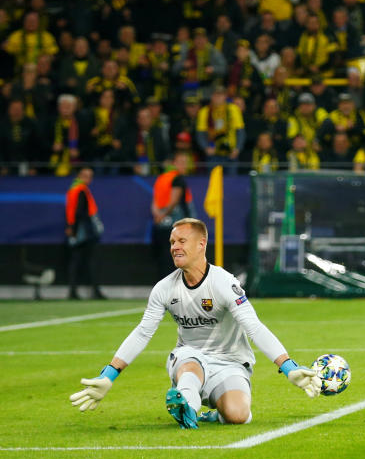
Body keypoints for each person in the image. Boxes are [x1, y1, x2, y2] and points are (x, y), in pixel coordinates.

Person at [69, 218, 320, 427]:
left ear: (201, 244)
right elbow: (143, 333)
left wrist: (288, 367)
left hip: (230, 362)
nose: (174, 247)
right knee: (190, 362)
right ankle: (186, 408)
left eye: (181, 241)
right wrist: (108, 375)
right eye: (172, 242)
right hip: (189, 358)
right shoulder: (164, 288)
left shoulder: (223, 283)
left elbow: (253, 327)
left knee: (238, 416)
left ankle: (212, 411)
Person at [151, 152, 196, 279]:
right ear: (174, 164)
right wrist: (165, 214)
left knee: (163, 256)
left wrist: (158, 215)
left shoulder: (161, 178)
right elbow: (174, 200)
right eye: (181, 162)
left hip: (161, 224)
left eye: (186, 163)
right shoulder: (178, 179)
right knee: (176, 257)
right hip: (175, 224)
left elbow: (154, 201)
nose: (185, 166)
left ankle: (162, 287)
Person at [65, 167, 105, 300]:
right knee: (90, 261)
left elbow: (71, 211)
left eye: (90, 176)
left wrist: (70, 227)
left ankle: (73, 291)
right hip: (84, 231)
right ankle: (95, 291)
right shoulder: (81, 190)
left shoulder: (73, 189)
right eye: (86, 176)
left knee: (76, 261)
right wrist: (75, 230)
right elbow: (79, 212)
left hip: (76, 229)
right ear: (79, 176)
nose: (89, 179)